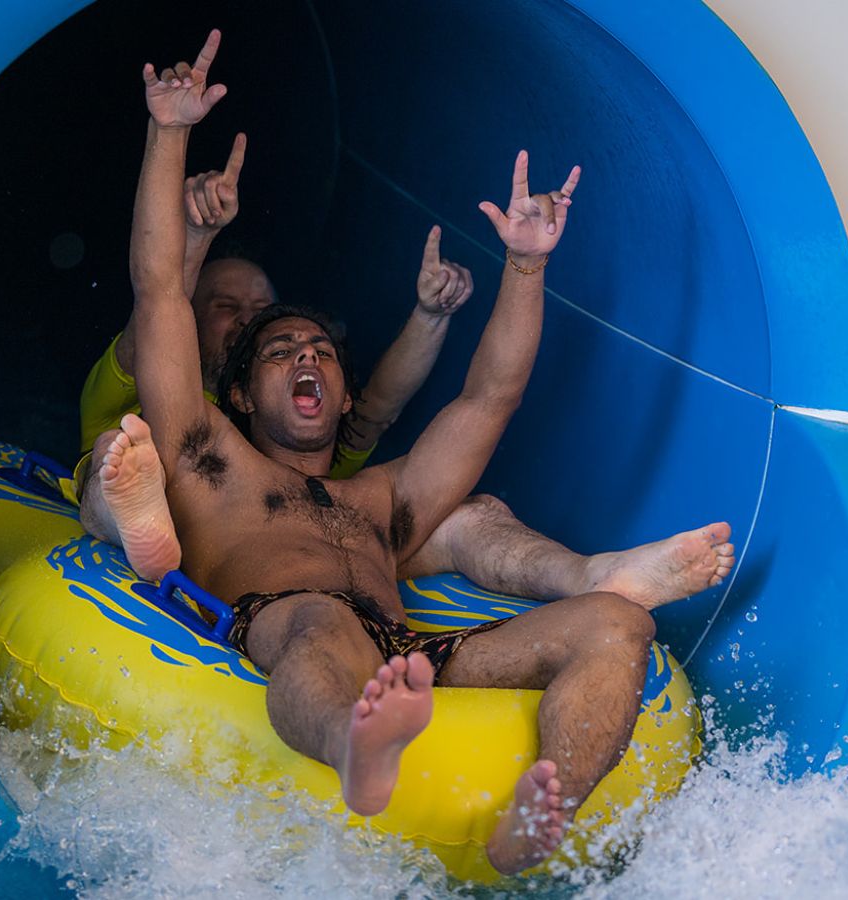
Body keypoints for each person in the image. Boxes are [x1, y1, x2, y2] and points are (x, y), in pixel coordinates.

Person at [104, 30, 733, 874]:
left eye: (322, 352)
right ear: (242, 393)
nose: (306, 358)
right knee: (322, 619)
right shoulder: (205, 457)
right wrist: (168, 132)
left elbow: (489, 398)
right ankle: (354, 748)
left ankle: (543, 811)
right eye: (281, 351)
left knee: (620, 621)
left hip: (411, 652)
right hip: (292, 623)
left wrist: (523, 265)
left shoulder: (383, 503)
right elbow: (158, 291)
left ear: (345, 395)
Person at [74, 93, 735, 619]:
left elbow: (388, 401)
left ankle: (595, 575)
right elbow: (158, 298)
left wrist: (434, 312)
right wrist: (190, 222)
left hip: (330, 550)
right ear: (240, 380)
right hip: (189, 517)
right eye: (234, 313)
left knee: (474, 513)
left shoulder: (320, 451)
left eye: (303, 338)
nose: (257, 322)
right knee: (126, 451)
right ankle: (138, 529)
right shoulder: (178, 404)